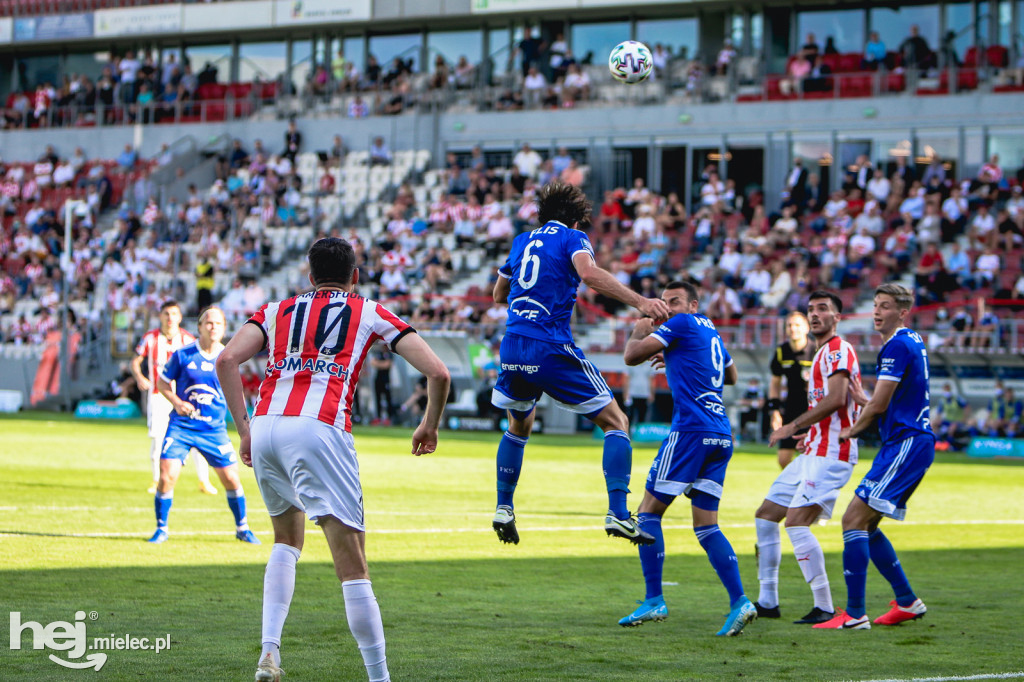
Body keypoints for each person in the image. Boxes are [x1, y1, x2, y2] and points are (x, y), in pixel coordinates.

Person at [216, 237, 450, 682]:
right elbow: (438, 372)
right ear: (354, 276)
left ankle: (269, 653)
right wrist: (429, 424)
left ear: (309, 276)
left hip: (266, 426)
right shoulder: (367, 310)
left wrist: (244, 429)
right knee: (352, 564)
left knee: (286, 540)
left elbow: (227, 359)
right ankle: (379, 678)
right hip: (320, 428)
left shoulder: (275, 310)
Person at [489, 181, 671, 546]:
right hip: (548, 344)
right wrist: (640, 302)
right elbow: (587, 273)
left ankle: (503, 506)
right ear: (575, 218)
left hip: (512, 344)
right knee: (617, 422)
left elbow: (497, 294)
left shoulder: (522, 241)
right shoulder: (573, 238)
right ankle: (618, 513)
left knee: (519, 424)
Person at [617, 281, 756, 636]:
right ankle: (740, 601)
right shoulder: (710, 329)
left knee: (647, 513)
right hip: (721, 434)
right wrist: (681, 356)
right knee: (707, 525)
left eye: (674, 302)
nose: (665, 308)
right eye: (662, 302)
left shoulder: (678, 324)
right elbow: (733, 374)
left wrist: (641, 324)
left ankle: (653, 600)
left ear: (692, 304)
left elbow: (631, 356)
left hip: (691, 431)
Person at [815, 284, 934, 630]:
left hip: (906, 443)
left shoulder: (896, 345)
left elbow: (883, 406)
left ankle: (854, 614)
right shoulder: (911, 340)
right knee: (866, 523)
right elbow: (894, 401)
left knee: (852, 520)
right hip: (908, 441)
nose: (877, 312)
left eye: (885, 306)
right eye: (876, 305)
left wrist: (852, 429)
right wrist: (866, 399)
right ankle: (908, 601)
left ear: (902, 312)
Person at [755, 291, 861, 625]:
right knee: (765, 515)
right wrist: (808, 433)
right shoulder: (819, 353)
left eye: (822, 309)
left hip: (833, 453)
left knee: (796, 523)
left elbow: (837, 399)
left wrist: (792, 426)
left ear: (837, 317)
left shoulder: (838, 350)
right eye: (811, 309)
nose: (815, 315)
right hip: (815, 448)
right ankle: (768, 601)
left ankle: (825, 605)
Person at [147, 307, 258, 545]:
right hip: (182, 427)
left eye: (218, 323)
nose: (213, 327)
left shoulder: (228, 359)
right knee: (167, 477)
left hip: (213, 430)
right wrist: (177, 402)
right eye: (209, 323)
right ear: (199, 327)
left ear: (224, 328)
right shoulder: (183, 355)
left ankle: (243, 528)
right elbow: (163, 382)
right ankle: (161, 529)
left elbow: (236, 395)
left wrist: (244, 428)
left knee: (231, 478)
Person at [131, 300, 216, 495]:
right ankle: (156, 480)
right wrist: (140, 377)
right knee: (158, 438)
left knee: (197, 436)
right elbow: (136, 361)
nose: (170, 318)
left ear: (180, 317)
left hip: (186, 397)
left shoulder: (187, 340)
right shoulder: (150, 338)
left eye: (174, 314)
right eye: (166, 314)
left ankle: (204, 480)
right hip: (159, 395)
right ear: (160, 316)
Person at [768, 312, 815, 469]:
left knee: (810, 455)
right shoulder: (782, 352)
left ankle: (806, 488)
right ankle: (795, 487)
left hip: (812, 409)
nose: (793, 328)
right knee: (783, 459)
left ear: (807, 328)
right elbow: (775, 382)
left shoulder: (816, 350)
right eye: (789, 325)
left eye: (797, 325)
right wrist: (774, 410)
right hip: (790, 408)